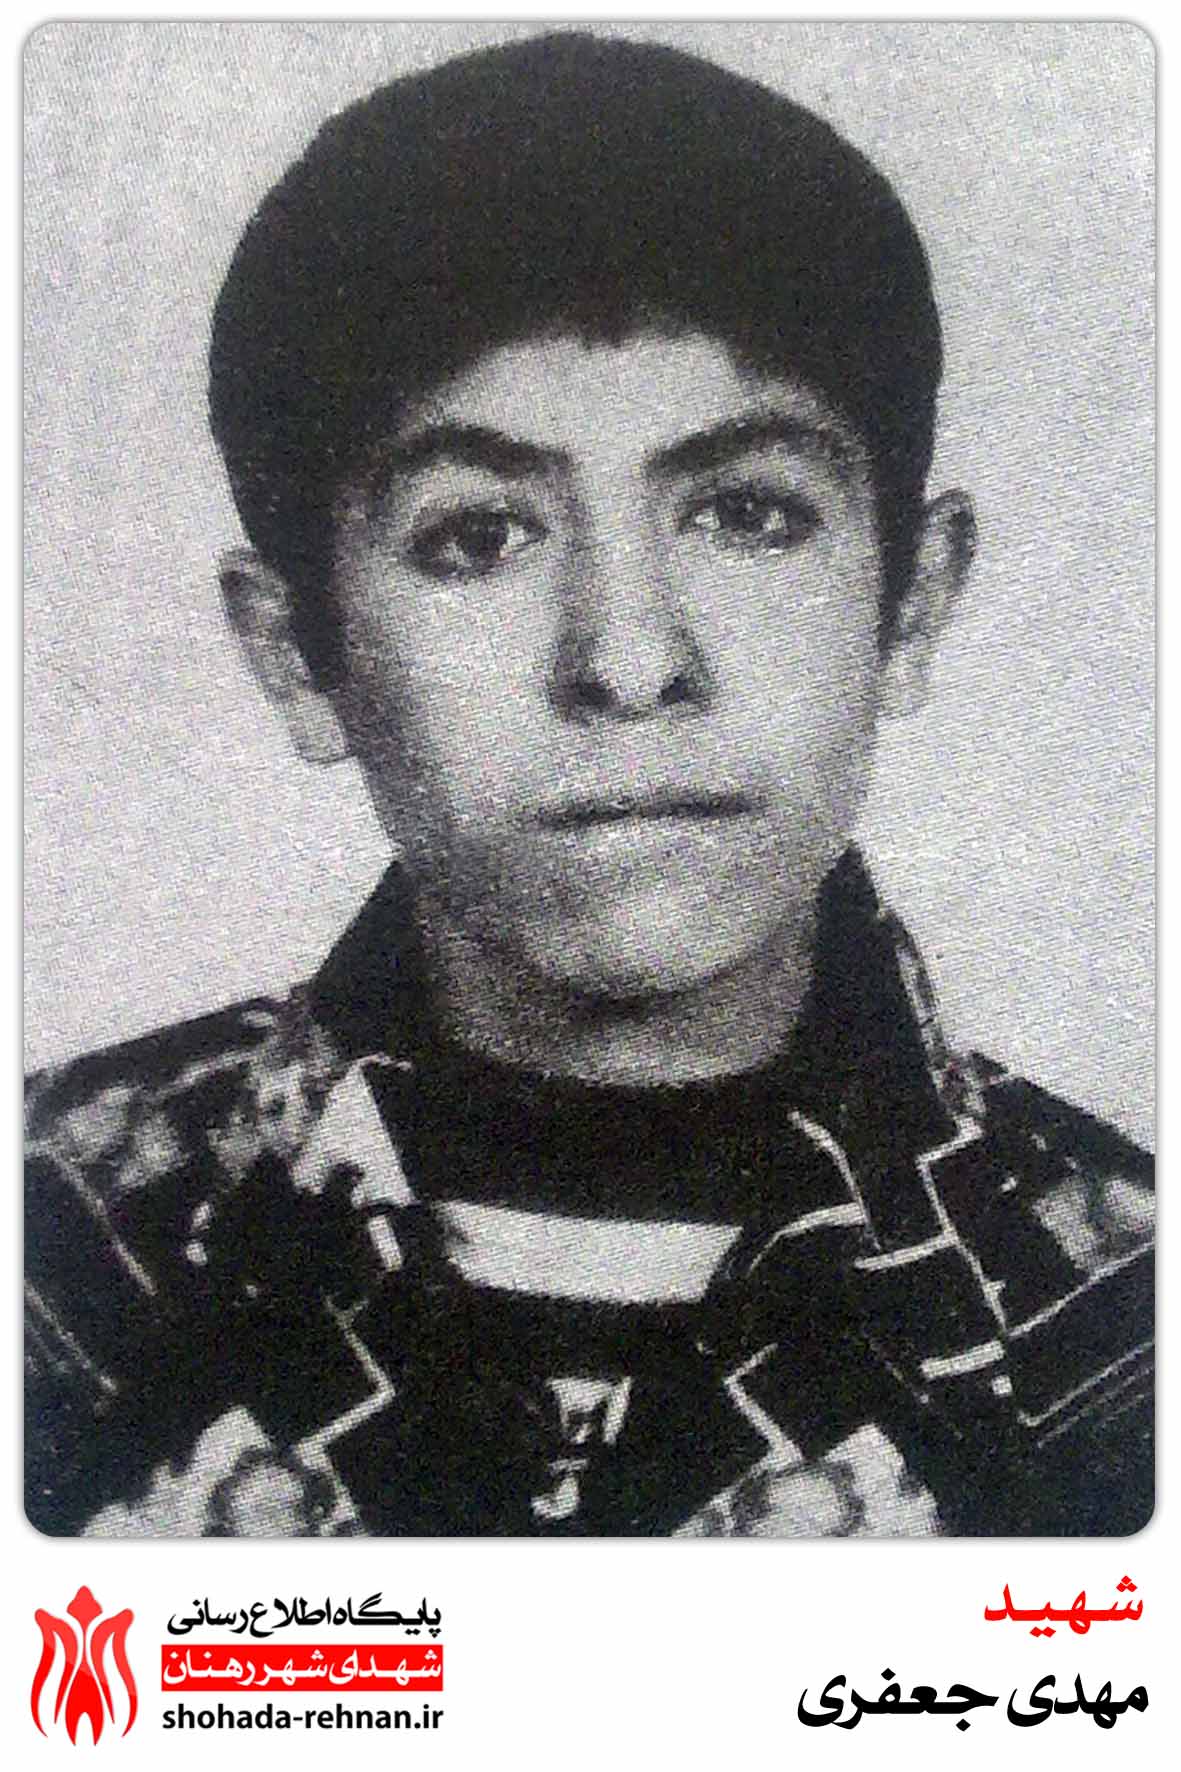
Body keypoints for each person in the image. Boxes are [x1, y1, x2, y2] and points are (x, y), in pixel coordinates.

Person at [25, 30, 1153, 1538]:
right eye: (477, 537)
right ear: (296, 652)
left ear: (912, 605)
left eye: (750, 515)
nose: (627, 660)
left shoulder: (1129, 1324)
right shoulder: (53, 1254)